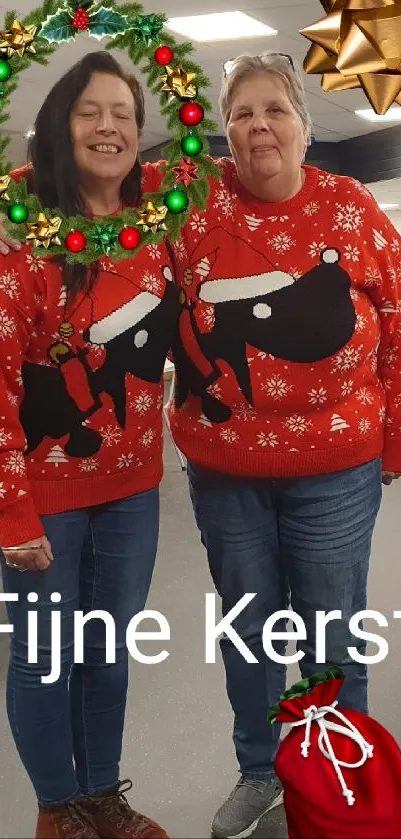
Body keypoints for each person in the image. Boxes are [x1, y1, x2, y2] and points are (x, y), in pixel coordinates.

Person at [165, 53, 401, 839]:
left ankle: (338, 777)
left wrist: (395, 433)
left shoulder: (347, 205)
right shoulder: (191, 207)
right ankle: (261, 768)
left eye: (273, 109)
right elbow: (90, 205)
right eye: (240, 113)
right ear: (223, 130)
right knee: (249, 627)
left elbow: (397, 322)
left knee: (332, 631)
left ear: (303, 126)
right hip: (224, 469)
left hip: (337, 468)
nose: (257, 125)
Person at [0, 50, 178, 839]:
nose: (108, 126)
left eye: (124, 115)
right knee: (45, 656)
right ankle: (57, 806)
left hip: (132, 484)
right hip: (42, 492)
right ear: (59, 124)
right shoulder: (23, 232)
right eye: (89, 111)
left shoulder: (155, 219)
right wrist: (12, 515)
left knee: (105, 649)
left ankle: (101, 791)